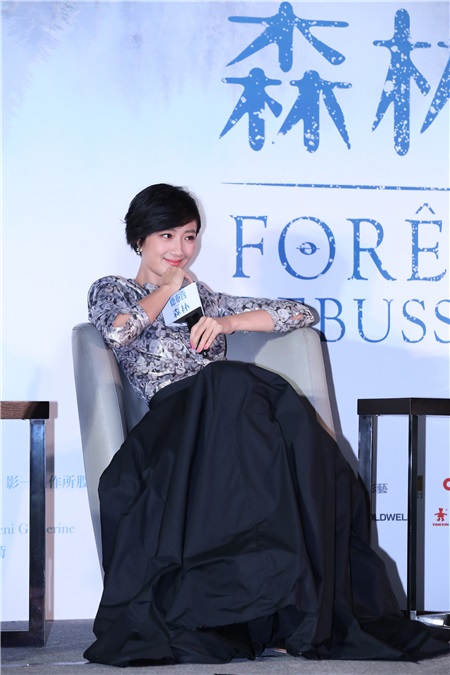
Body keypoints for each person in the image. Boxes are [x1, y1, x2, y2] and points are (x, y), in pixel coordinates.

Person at [84, 184, 449, 667]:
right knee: (231, 382)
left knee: (261, 411)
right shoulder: (113, 289)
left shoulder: (202, 298)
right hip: (174, 424)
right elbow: (117, 331)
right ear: (139, 240)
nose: (180, 249)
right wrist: (168, 289)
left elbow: (299, 312)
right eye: (167, 236)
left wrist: (228, 323)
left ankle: (286, 609)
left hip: (224, 419)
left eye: (189, 237)